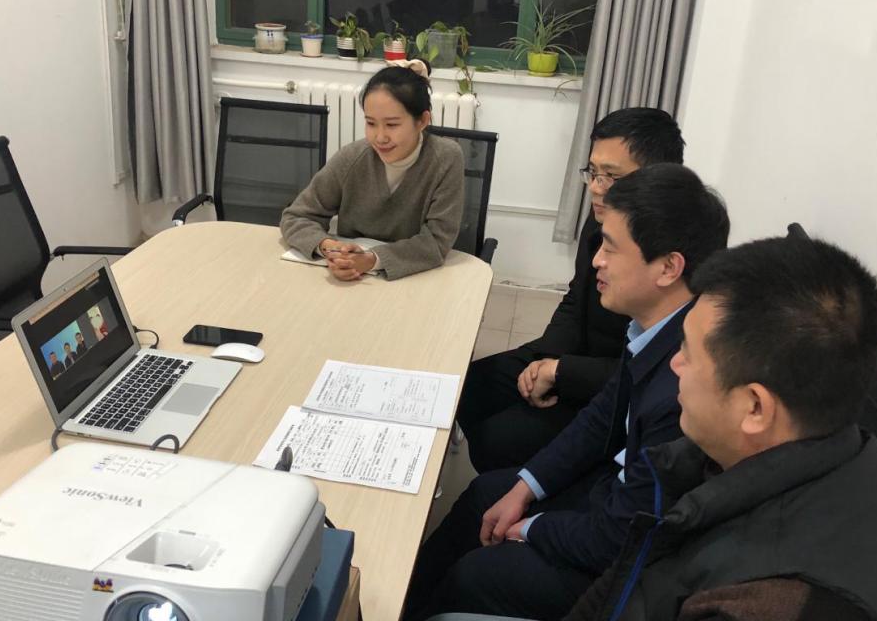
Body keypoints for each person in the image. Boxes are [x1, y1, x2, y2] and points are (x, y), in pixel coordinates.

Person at [404, 164, 730, 621]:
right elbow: (601, 417)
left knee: (474, 575)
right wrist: (526, 487)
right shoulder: (652, 327)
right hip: (609, 498)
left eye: (611, 248)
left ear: (668, 267)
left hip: (622, 567)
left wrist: (530, 528)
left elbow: (619, 539)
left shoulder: (684, 384)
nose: (597, 260)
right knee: (485, 495)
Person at [566, 236, 877, 621]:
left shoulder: (770, 603)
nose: (675, 364)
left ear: (755, 408)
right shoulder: (833, 448)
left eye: (688, 352)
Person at [457, 108, 685, 473]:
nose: (596, 187)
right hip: (571, 359)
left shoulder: (671, 260)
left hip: (610, 390)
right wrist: (544, 360)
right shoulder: (600, 223)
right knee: (468, 387)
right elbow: (576, 299)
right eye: (593, 172)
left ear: (656, 178)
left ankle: (521, 487)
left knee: (496, 440)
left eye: (612, 176)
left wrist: (561, 371)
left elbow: (646, 369)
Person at [280, 59, 464, 281]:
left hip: (414, 278)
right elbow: (296, 216)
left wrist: (372, 260)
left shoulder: (446, 158)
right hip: (352, 280)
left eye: (392, 125)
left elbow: (436, 241)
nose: (380, 137)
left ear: (422, 121)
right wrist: (331, 249)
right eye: (371, 123)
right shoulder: (353, 158)